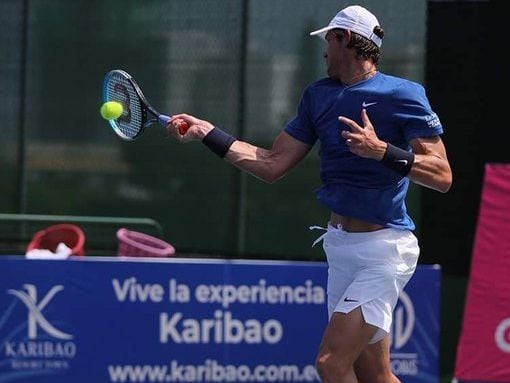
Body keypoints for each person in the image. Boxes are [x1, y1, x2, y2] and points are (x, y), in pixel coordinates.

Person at [167, 5, 452, 383]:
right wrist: (209, 133)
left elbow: (441, 175)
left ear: (346, 39)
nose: (323, 52)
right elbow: (271, 163)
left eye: (329, 41)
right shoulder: (318, 96)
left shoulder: (403, 94)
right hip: (340, 249)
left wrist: (381, 150)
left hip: (384, 250)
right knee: (376, 375)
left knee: (331, 363)